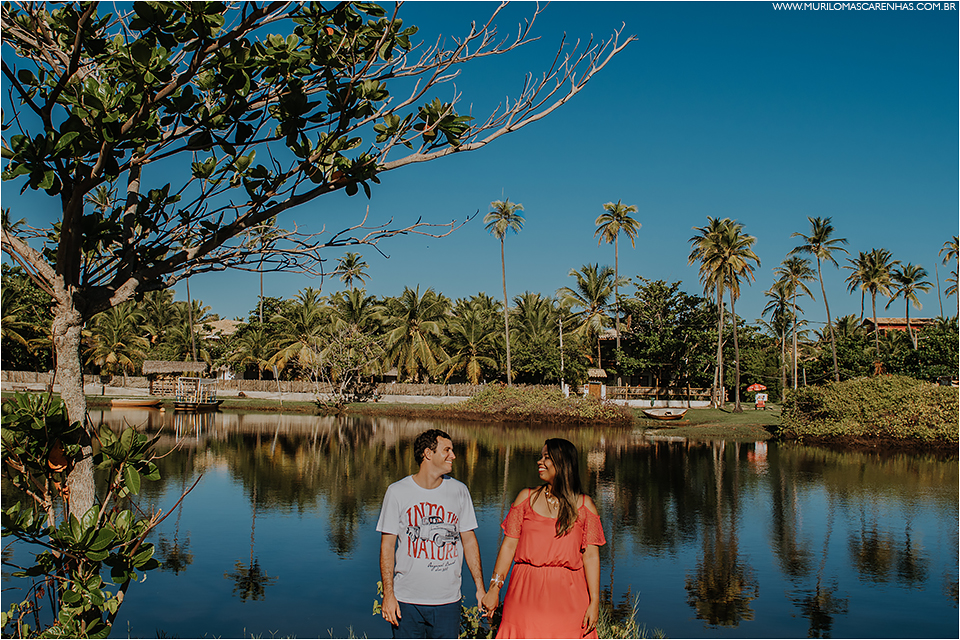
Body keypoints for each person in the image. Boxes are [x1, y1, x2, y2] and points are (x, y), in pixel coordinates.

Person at [481, 438, 606, 639]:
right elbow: (508, 547)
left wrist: (594, 602)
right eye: (541, 457)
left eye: (546, 457)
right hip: (524, 596)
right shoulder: (525, 499)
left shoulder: (584, 506)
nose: (540, 461)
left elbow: (591, 557)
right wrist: (494, 589)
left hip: (569, 600)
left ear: (563, 462)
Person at [377, 429, 485, 638]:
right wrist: (388, 595)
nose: (453, 456)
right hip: (406, 601)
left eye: (452, 450)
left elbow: (469, 541)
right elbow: (387, 546)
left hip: (447, 602)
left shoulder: (459, 491)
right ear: (428, 453)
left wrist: (480, 588)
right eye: (447, 450)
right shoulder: (397, 492)